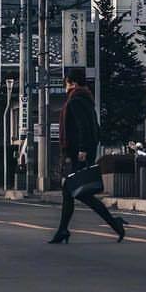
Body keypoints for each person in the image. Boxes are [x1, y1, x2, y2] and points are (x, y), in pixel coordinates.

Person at [49, 69, 126, 245]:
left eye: (66, 83)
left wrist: (82, 150)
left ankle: (115, 224)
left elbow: (84, 126)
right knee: (71, 192)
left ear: (72, 82)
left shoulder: (75, 100)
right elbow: (94, 127)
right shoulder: (85, 99)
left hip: (78, 154)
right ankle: (63, 230)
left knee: (80, 193)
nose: (66, 87)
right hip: (81, 152)